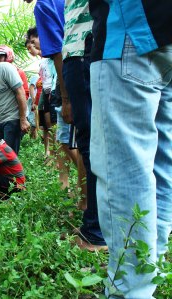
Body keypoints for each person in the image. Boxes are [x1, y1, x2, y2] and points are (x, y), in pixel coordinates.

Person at [89, 1, 172, 297]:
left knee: (125, 169)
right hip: (164, 33)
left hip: (132, 30)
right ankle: (153, 269)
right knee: (162, 163)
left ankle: (132, 290)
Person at [61, 0, 106, 250]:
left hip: (83, 54)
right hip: (88, 53)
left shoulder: (45, 6)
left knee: (93, 146)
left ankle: (97, 230)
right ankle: (96, 223)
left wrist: (65, 97)